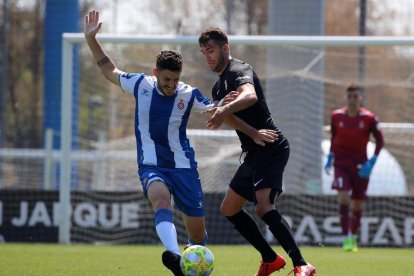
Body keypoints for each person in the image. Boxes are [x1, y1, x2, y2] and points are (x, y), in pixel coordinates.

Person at [84, 11, 278, 276]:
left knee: (198, 238)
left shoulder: (188, 94)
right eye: (166, 80)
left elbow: (219, 114)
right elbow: (109, 70)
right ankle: (175, 258)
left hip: (184, 168)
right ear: (156, 73)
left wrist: (246, 126)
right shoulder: (140, 84)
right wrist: (91, 40)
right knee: (161, 202)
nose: (171, 85)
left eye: (175, 80)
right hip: (152, 165)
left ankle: (188, 258)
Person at [198, 27, 316, 276]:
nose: (207, 56)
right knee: (229, 208)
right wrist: (246, 128)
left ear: (225, 48)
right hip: (254, 150)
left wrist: (223, 110)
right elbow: (230, 119)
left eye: (210, 51)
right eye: (203, 52)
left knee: (263, 207)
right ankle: (270, 259)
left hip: (271, 146)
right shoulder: (218, 88)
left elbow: (249, 96)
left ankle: (301, 264)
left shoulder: (240, 70)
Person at [325, 84, 384, 252]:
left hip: (361, 165)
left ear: (360, 99)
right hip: (341, 164)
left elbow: (380, 141)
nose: (352, 99)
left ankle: (353, 236)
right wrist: (330, 156)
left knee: (357, 204)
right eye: (349, 96)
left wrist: (372, 162)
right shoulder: (336, 116)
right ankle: (347, 238)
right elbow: (334, 137)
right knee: (344, 198)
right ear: (346, 98)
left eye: (355, 96)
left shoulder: (369, 118)